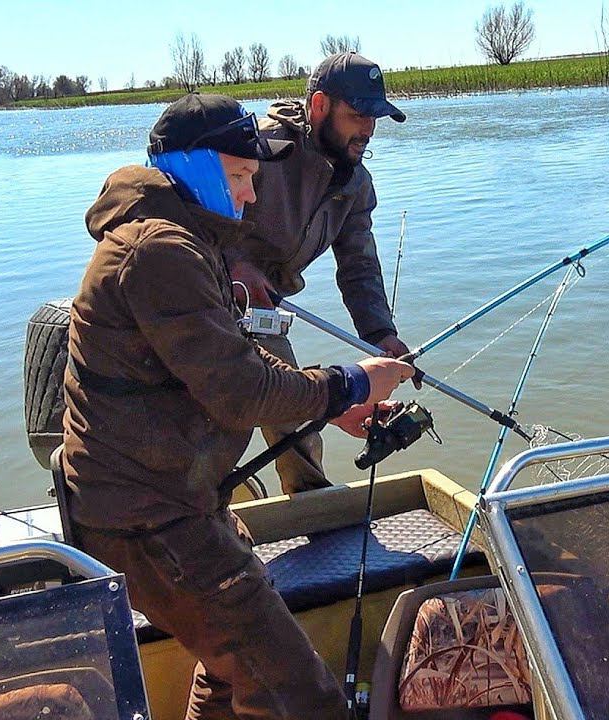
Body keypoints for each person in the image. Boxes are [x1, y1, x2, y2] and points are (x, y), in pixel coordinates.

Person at [61, 93, 415, 720]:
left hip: (175, 499)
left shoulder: (189, 241)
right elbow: (242, 393)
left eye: (252, 178)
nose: (251, 196)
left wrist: (331, 409)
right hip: (147, 518)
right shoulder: (159, 251)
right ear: (194, 168)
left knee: (235, 668)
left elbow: (239, 365)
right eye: (240, 177)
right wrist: (351, 382)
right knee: (300, 695)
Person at [231, 51, 409, 494]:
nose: (368, 129)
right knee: (221, 420)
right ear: (319, 107)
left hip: (263, 313)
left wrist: (381, 334)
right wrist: (235, 263)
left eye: (375, 117)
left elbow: (359, 266)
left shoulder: (355, 184)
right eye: (358, 115)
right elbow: (183, 211)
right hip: (205, 295)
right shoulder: (259, 148)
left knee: (296, 422)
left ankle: (313, 512)